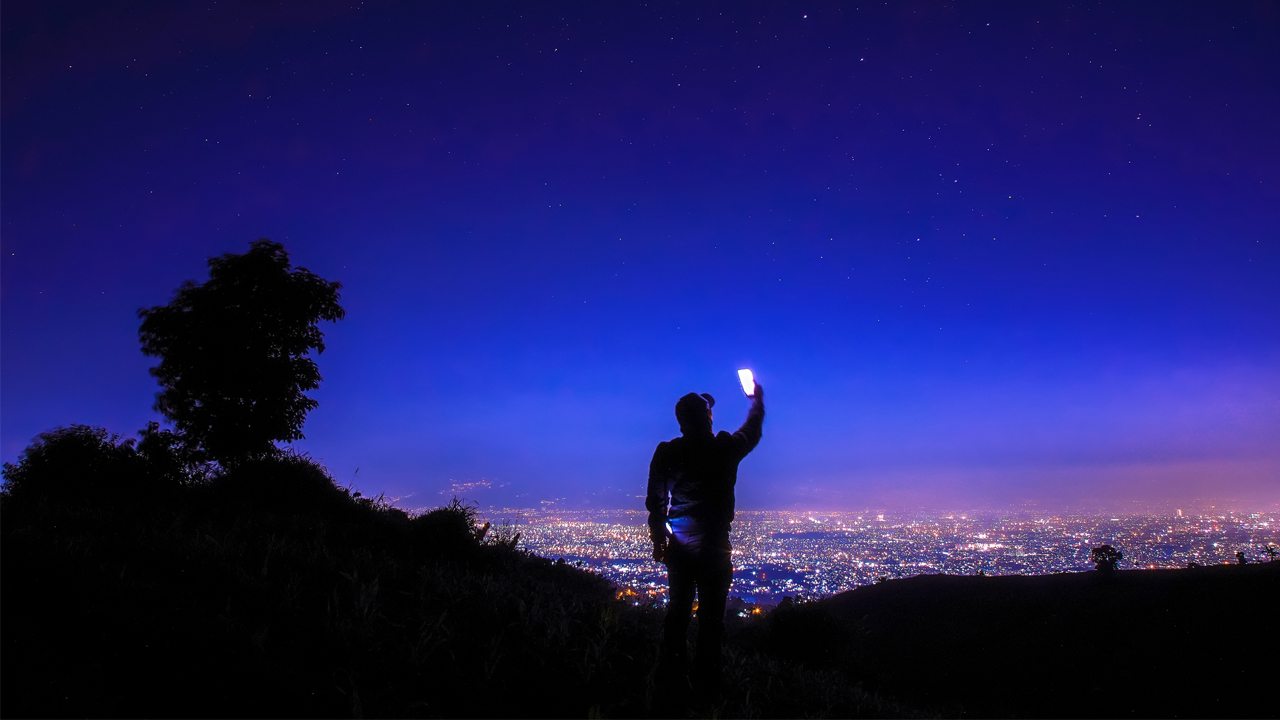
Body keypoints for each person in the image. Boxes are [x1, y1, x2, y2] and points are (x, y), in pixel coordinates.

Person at [646, 383, 765, 696]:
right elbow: (752, 431)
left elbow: (655, 499)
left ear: (681, 421)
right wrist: (757, 401)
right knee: (711, 622)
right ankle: (707, 688)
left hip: (680, 547)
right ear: (708, 418)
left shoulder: (668, 452)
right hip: (714, 546)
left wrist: (658, 536)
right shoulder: (723, 448)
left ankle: (670, 682)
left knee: (678, 616)